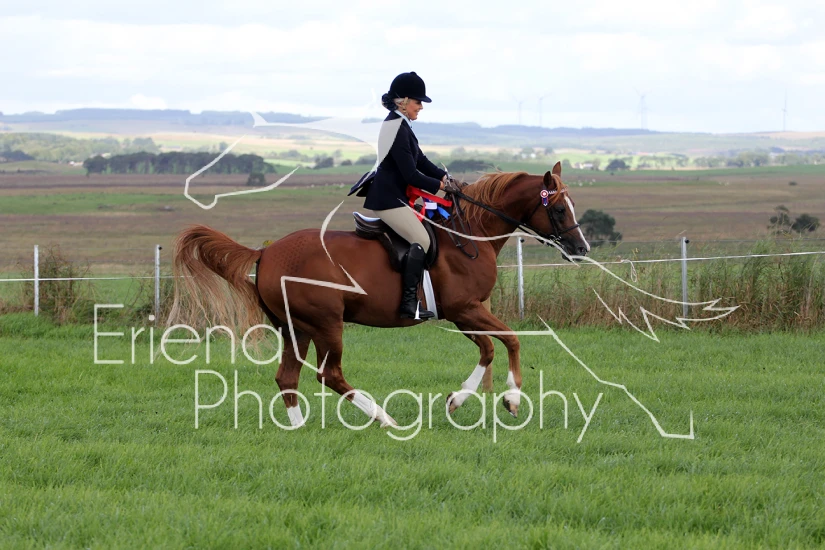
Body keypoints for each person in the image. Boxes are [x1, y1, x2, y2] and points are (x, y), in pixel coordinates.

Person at [362, 71, 459, 320]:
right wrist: (440, 186)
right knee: (422, 240)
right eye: (418, 102)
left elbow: (421, 160)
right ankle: (408, 304)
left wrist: (446, 177)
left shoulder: (401, 124)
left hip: (397, 197)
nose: (421, 107)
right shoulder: (395, 127)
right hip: (388, 200)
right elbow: (410, 174)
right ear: (404, 101)